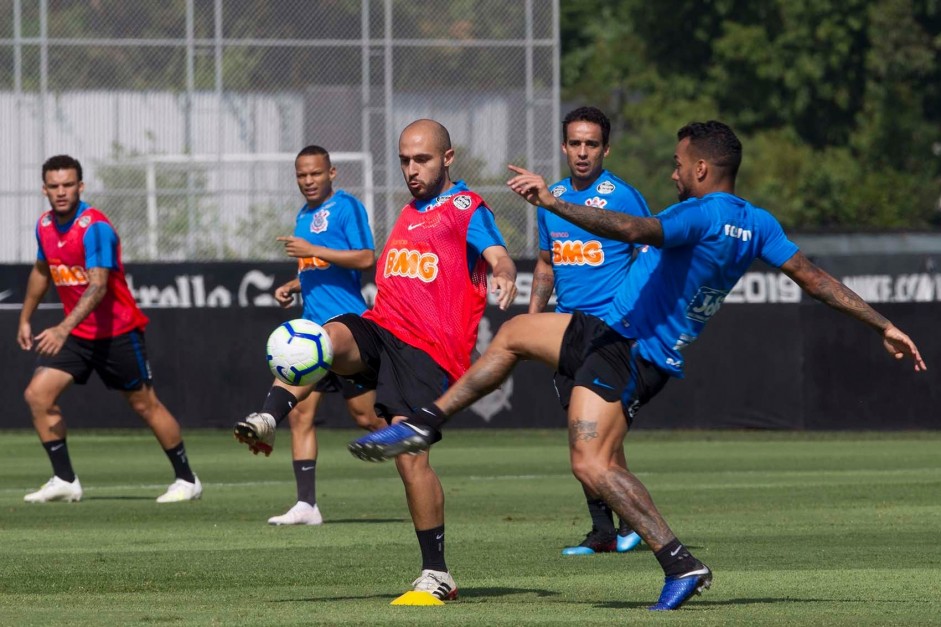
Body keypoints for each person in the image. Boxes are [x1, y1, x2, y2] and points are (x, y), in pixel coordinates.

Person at [348, 121, 927, 610]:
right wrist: (883, 324)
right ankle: (426, 420)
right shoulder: (759, 223)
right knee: (516, 335)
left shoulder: (702, 214)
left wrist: (552, 203)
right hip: (609, 331)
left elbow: (631, 228)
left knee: (591, 464)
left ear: (703, 170)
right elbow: (815, 279)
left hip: (632, 350)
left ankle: (680, 562)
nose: (672, 174)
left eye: (678, 165)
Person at [237, 119, 518, 603]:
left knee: (411, 460)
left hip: (429, 351)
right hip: (382, 326)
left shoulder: (465, 206)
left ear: (448, 158)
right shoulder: (410, 211)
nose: (411, 169)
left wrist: (505, 271)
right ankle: (267, 416)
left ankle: (437, 574)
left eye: (422, 159)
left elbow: (497, 252)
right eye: (405, 160)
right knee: (318, 340)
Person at [18, 154, 203, 504]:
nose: (61, 192)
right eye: (54, 186)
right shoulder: (44, 226)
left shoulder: (95, 227)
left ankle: (187, 479)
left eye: (68, 185)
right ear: (44, 189)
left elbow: (98, 286)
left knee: (145, 405)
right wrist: (26, 317)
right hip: (78, 336)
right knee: (37, 395)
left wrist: (61, 329)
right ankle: (65, 479)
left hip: (117, 332)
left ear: (80, 186)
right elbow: (42, 271)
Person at [233, 145, 385, 525]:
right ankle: (307, 505)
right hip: (311, 336)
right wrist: (294, 285)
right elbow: (317, 267)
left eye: (315, 174)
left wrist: (313, 249)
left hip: (347, 329)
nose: (308, 181)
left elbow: (367, 258)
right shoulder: (303, 215)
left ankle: (412, 444)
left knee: (366, 418)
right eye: (302, 175)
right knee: (301, 416)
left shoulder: (347, 207)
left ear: (332, 173)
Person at [532, 106, 649, 556]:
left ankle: (632, 522)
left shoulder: (623, 196)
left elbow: (650, 255)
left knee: (600, 434)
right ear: (564, 147)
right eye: (575, 144)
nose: (583, 152)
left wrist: (638, 315)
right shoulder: (551, 198)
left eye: (591, 144)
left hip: (611, 332)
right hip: (565, 330)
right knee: (579, 433)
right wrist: (534, 319)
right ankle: (603, 531)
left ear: (606, 148)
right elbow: (546, 265)